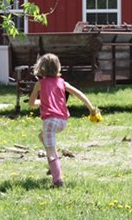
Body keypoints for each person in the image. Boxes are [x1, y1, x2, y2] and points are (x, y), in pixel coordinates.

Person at [29, 53, 98, 187]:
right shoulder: (62, 82)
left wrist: (40, 102)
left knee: (50, 152)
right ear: (58, 68)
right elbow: (78, 93)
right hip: (62, 121)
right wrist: (91, 109)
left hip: (49, 120)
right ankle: (53, 166)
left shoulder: (40, 83)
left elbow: (31, 103)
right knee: (42, 137)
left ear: (41, 69)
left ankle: (57, 179)